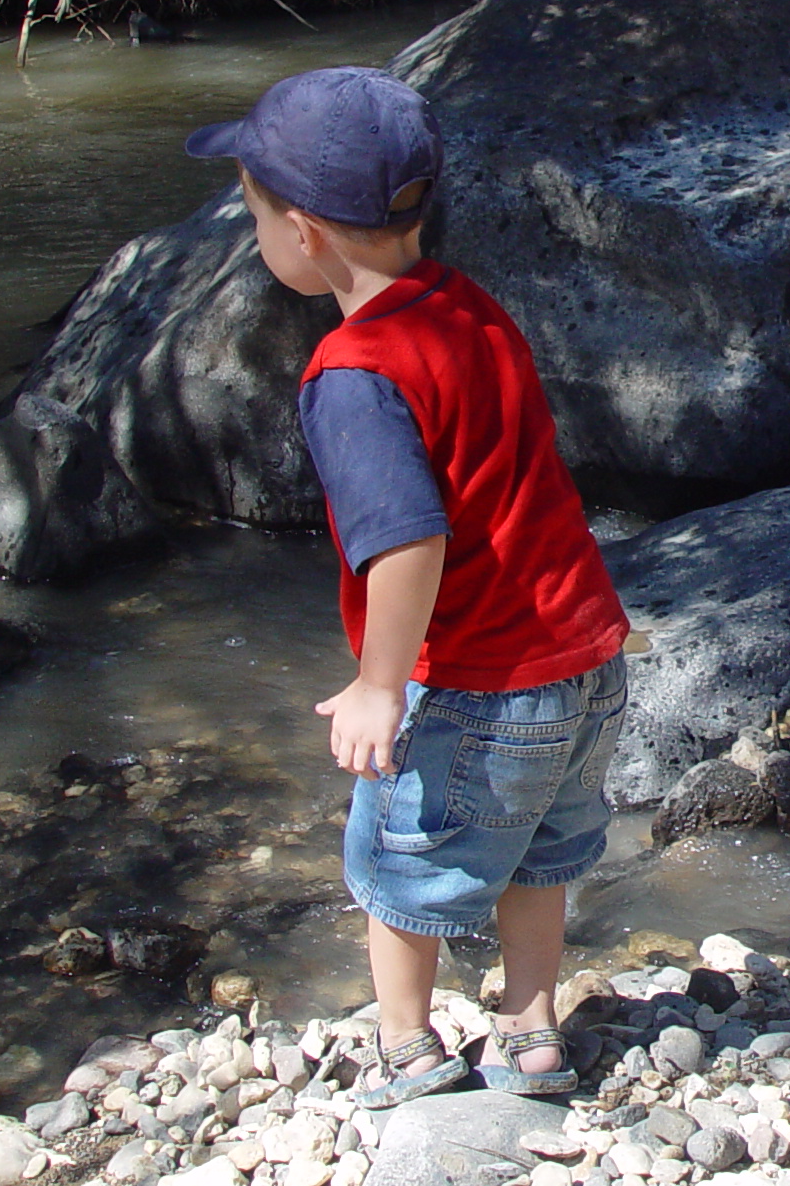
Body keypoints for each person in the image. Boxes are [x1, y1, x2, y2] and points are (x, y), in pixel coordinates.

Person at [186, 66, 633, 1109]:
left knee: (399, 863)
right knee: (539, 852)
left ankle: (407, 1046)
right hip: (583, 656)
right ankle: (529, 1030)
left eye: (252, 215)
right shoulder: (468, 308)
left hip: (471, 677)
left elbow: (408, 544)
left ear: (303, 234)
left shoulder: (355, 374)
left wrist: (380, 684)